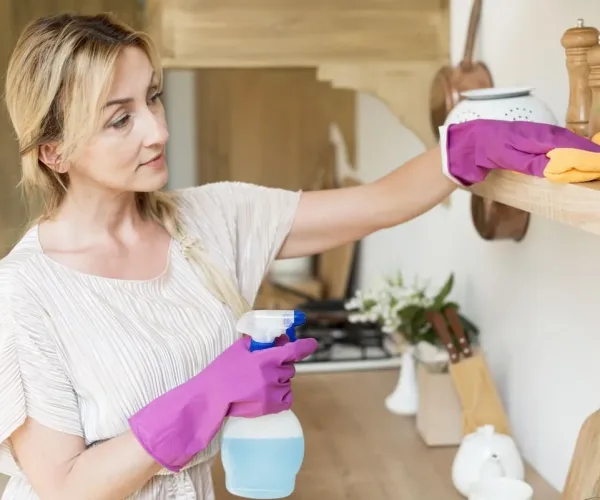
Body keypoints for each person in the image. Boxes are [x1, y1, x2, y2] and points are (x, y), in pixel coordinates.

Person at [1, 11, 599, 500]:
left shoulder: (211, 220)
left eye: (152, 99)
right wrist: (208, 394)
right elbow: (63, 487)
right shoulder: (24, 292)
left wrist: (466, 143)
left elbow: (376, 204)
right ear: (54, 152)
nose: (155, 130)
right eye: (119, 119)